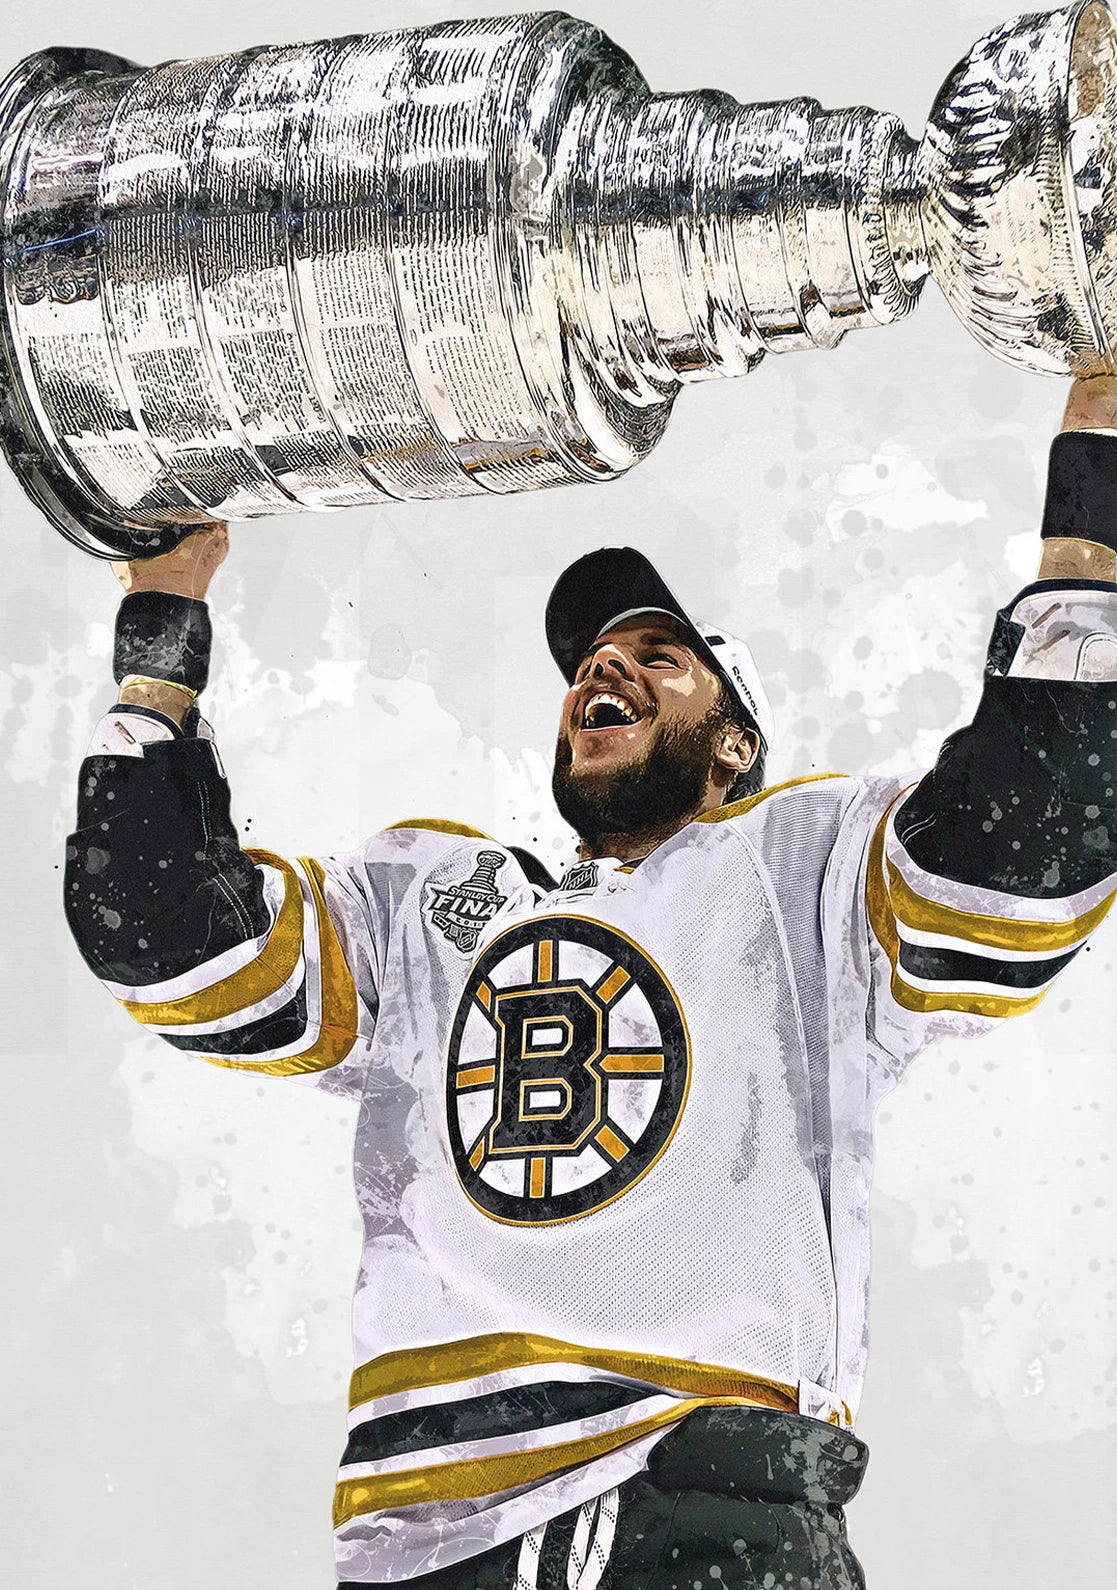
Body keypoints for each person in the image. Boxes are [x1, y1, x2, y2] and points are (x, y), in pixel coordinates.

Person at [64, 377, 1117, 1590]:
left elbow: (1032, 834)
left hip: (706, 1507)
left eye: (657, 655)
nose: (604, 666)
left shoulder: (809, 870)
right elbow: (165, 936)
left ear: (734, 742)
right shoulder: (418, 902)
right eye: (593, 659)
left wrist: (1092, 444)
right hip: (426, 1545)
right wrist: (160, 620)